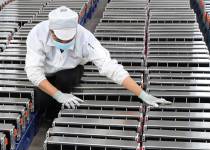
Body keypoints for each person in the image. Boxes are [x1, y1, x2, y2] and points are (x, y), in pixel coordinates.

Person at [25, 6, 170, 124]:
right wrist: (57, 94)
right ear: (51, 31)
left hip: (70, 71)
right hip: (45, 73)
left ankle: (57, 116)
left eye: (68, 39)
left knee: (65, 80)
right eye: (60, 39)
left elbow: (109, 66)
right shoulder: (37, 34)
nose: (64, 43)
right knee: (41, 100)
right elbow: (34, 72)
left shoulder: (86, 38)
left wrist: (142, 93)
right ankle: (49, 111)